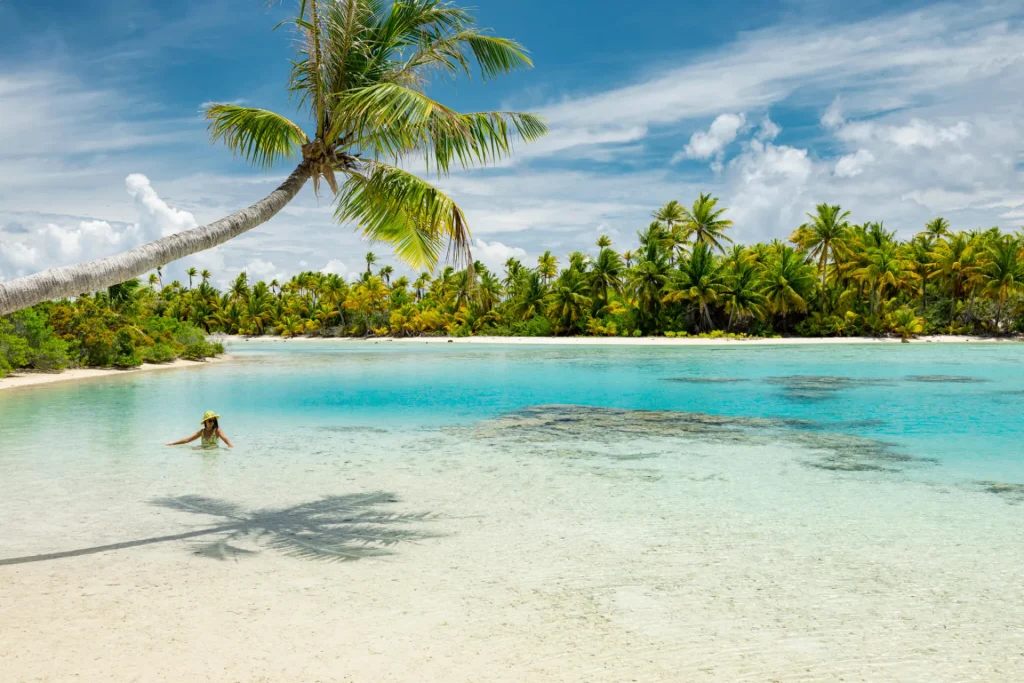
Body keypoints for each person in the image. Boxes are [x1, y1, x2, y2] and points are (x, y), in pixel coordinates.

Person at [166, 411, 234, 449]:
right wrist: (173, 443)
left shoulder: (217, 431)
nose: (212, 422)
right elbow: (188, 440)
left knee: (208, 448)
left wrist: (229, 445)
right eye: (210, 421)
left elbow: (225, 438)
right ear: (205, 422)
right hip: (204, 453)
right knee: (192, 449)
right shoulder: (201, 432)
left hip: (214, 452)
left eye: (213, 420)